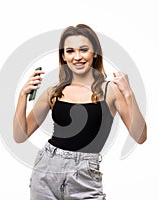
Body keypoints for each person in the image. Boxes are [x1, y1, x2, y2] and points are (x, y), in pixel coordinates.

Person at [13, 24, 147, 200]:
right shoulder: (54, 92)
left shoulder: (110, 91)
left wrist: (129, 94)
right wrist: (23, 95)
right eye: (70, 51)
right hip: (46, 170)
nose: (77, 57)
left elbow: (140, 137)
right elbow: (20, 136)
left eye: (84, 50)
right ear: (63, 56)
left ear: (95, 53)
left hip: (84, 177)